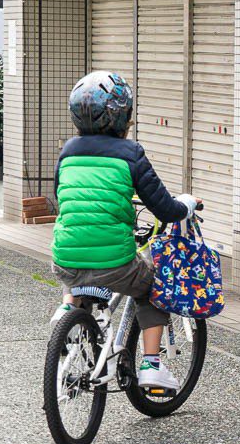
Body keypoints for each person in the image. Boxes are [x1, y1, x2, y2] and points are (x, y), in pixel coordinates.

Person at [50, 70, 199, 393]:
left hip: (64, 256)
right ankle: (151, 366)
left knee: (78, 262)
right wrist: (185, 205)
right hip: (114, 262)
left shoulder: (68, 151)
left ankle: (68, 309)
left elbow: (62, 198)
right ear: (122, 116)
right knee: (154, 285)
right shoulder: (131, 154)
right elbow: (164, 209)